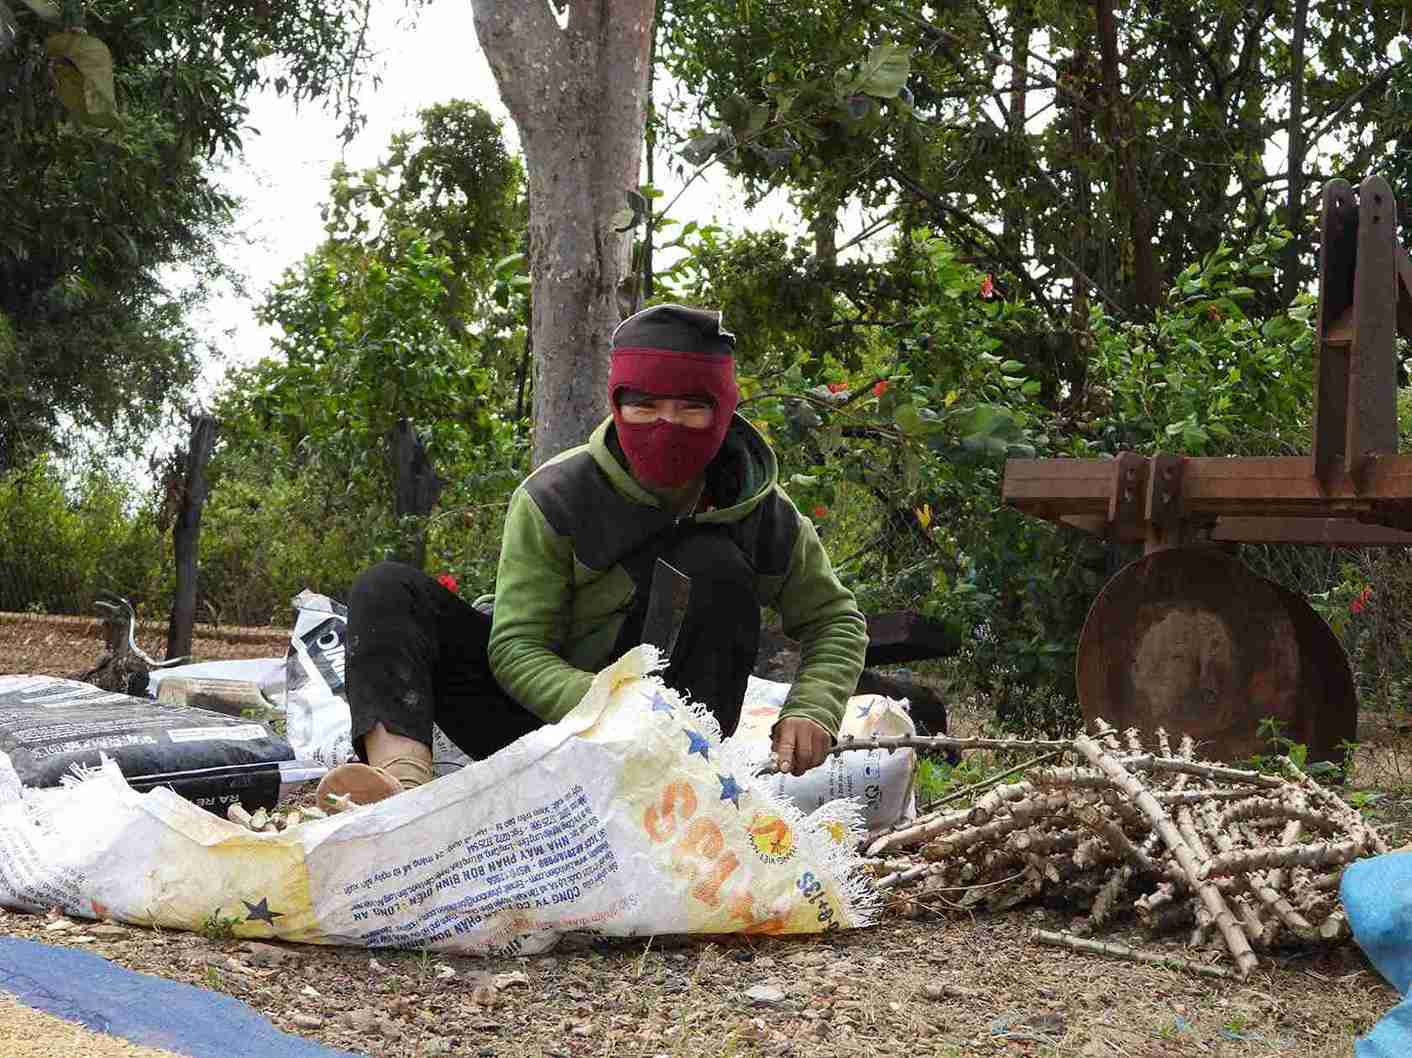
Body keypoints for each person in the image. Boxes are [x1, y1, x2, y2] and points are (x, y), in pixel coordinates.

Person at [316, 304, 868, 806]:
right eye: (644, 405)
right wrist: (609, 706)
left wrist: (812, 707)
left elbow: (835, 619)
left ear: (722, 412)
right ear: (617, 404)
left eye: (690, 409)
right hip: (534, 724)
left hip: (669, 748)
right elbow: (516, 647)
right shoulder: (556, 497)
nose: (664, 426)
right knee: (386, 588)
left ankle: (677, 799)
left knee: (712, 565)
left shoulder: (764, 516)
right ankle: (398, 798)